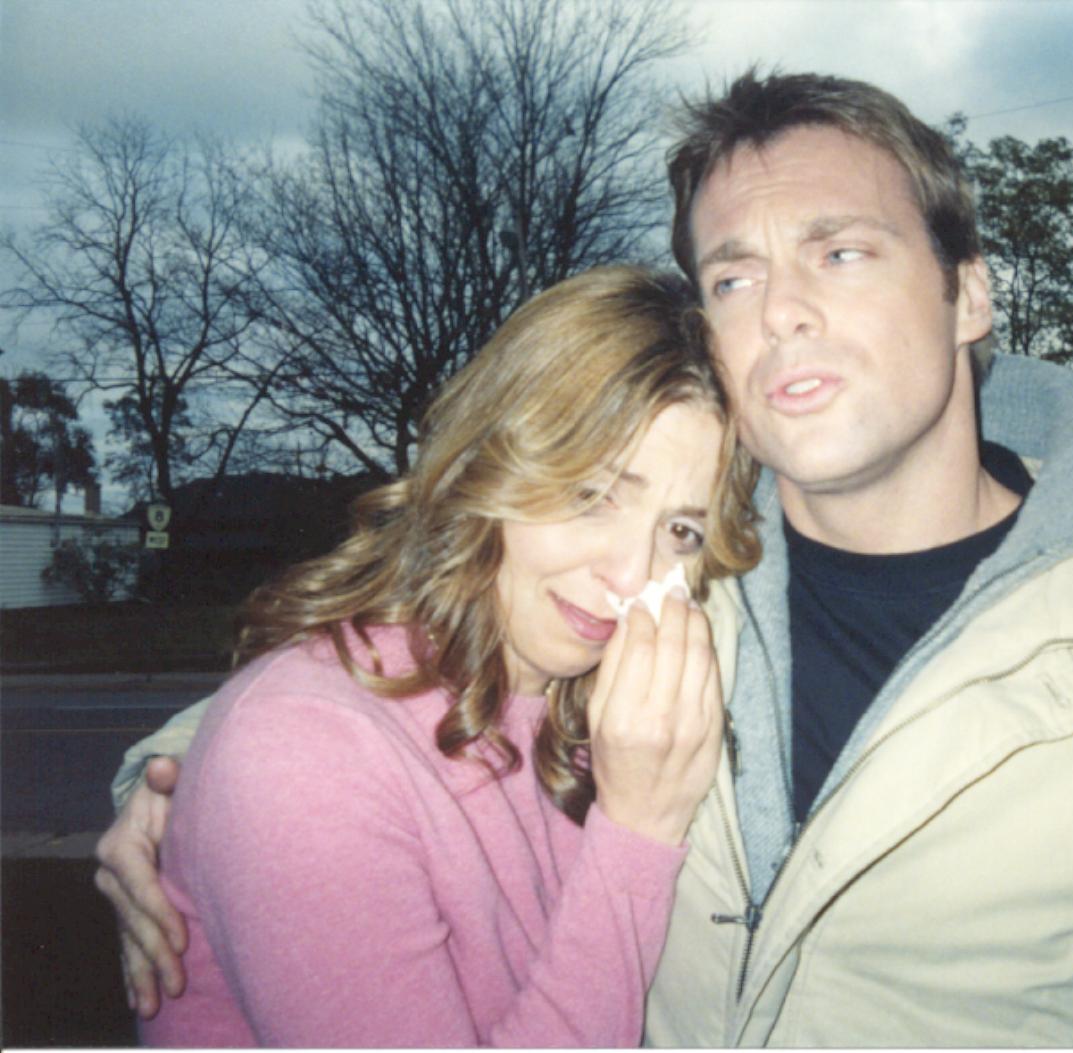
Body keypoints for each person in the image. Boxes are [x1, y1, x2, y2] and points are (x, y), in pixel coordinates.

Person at [99, 73, 1073, 1046]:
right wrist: (173, 788)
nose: (781, 307)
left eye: (840, 250)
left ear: (969, 291)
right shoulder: (670, 577)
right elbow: (407, 699)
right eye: (732, 277)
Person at [118, 266, 761, 1046]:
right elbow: (289, 740)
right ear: (487, 463)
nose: (632, 574)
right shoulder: (305, 747)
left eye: (681, 531)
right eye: (592, 494)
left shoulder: (601, 717)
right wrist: (639, 828)